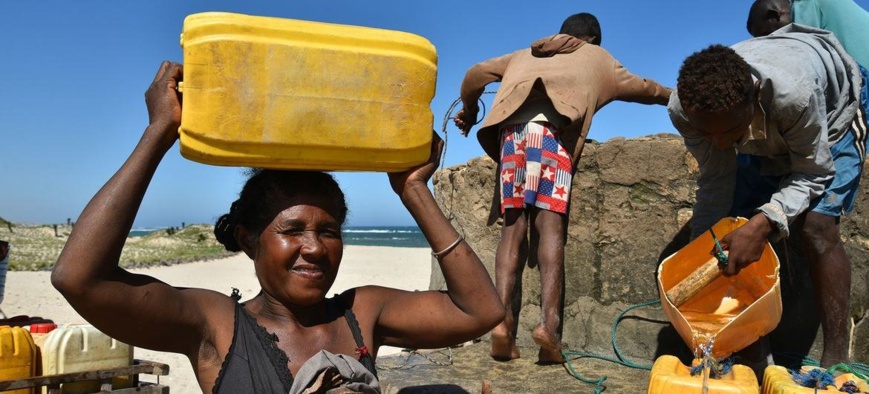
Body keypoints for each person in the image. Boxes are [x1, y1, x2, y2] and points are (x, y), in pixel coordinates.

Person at [51, 61, 504, 393]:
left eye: (329, 231)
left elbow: (480, 312)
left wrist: (412, 190)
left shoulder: (361, 313)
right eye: (292, 230)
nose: (314, 248)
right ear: (249, 240)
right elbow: (79, 278)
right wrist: (158, 134)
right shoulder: (216, 325)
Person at [454, 12, 672, 364]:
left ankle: (501, 327)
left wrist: (469, 108)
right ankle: (549, 329)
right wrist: (680, 97)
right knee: (550, 225)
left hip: (512, 138)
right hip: (553, 137)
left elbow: (473, 74)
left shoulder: (525, 53)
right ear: (594, 40)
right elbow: (646, 89)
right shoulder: (598, 57)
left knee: (513, 229)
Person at [668, 24, 867, 370]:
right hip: (762, 118)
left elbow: (815, 171)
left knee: (817, 226)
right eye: (707, 132)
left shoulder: (796, 96)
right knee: (735, 226)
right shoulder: (687, 111)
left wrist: (765, 223)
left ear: (755, 95)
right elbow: (717, 181)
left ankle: (837, 357)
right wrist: (703, 246)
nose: (717, 144)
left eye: (728, 132)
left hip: (835, 110)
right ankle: (753, 353)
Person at [746, 0, 869, 68]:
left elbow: (802, 64)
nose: (770, 42)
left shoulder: (806, 6)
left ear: (774, 15)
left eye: (768, 34)